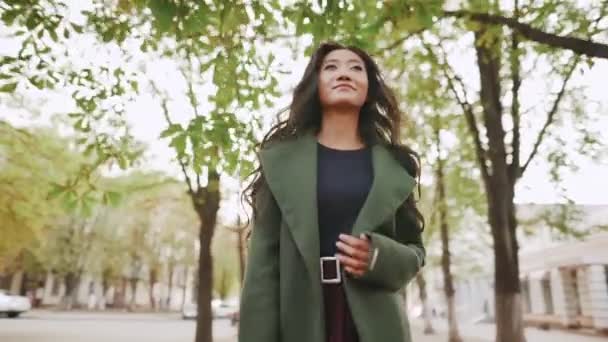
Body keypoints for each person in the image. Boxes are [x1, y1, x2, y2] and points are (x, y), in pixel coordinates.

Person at [239, 41, 426, 342]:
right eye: (331, 67)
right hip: (301, 317)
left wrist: (377, 257)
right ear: (316, 84)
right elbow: (262, 266)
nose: (344, 74)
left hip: (376, 324)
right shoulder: (281, 162)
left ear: (368, 88)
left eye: (356, 68)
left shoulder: (395, 166)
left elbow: (414, 253)